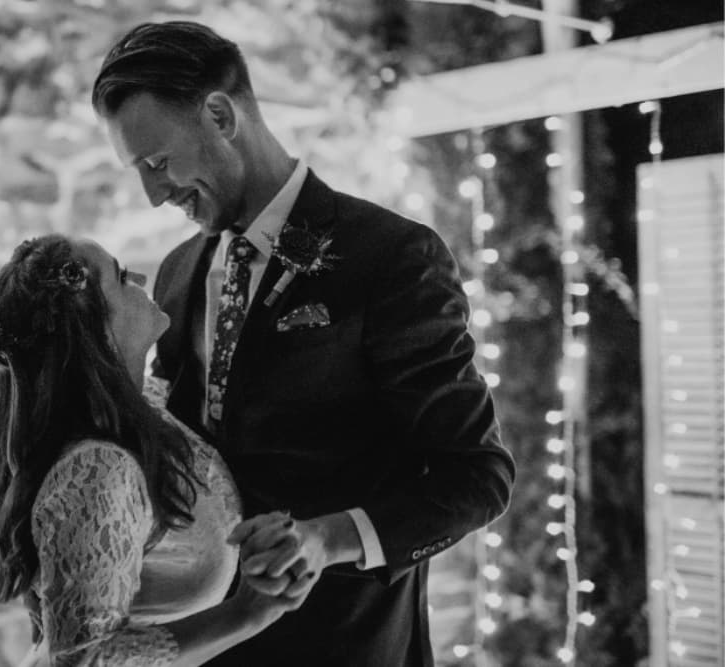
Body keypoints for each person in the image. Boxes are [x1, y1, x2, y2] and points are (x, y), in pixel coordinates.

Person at [92, 21, 516, 666]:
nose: (154, 195)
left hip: (346, 639)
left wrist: (323, 540)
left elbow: (476, 477)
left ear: (218, 113)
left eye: (157, 163)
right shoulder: (178, 272)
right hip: (209, 641)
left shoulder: (391, 257)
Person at [0, 235, 319, 666]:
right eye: (121, 276)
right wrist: (246, 614)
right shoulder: (98, 470)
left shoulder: (141, 412)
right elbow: (83, 661)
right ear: (94, 324)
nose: (142, 280)